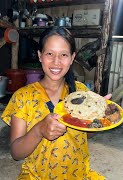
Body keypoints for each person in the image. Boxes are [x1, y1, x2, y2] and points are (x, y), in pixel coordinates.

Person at [1, 27, 109, 179]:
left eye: (63, 55)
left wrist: (98, 119)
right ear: (40, 56)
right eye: (49, 54)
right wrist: (38, 130)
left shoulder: (81, 92)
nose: (56, 62)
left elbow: (86, 135)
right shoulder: (23, 97)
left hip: (77, 175)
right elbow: (16, 153)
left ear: (72, 58)